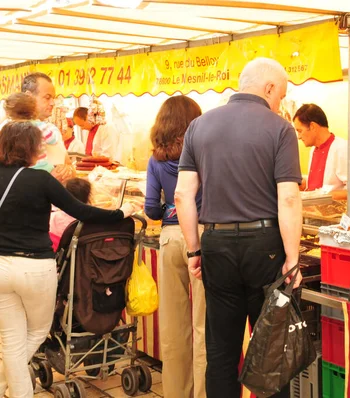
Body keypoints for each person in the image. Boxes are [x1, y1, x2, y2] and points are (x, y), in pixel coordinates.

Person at [175, 57, 302, 398]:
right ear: (269, 88)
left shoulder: (199, 126)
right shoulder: (280, 129)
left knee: (220, 350)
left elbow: (182, 195)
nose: (279, 104)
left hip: (215, 242)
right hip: (266, 245)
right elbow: (288, 198)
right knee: (270, 348)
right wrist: (293, 257)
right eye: (281, 96)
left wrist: (194, 249)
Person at [0, 121, 136, 398]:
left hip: (1, 266)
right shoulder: (40, 179)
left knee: (11, 341)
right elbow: (83, 212)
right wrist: (121, 213)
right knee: (37, 333)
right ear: (30, 147)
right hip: (35, 267)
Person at [144, 96, 206, 398]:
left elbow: (151, 210)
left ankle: (175, 393)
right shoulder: (205, 152)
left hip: (169, 238)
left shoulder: (155, 160)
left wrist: (169, 207)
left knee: (173, 325)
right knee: (204, 326)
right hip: (203, 236)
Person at [293, 103, 350, 202]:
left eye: (300, 131)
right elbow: (325, 183)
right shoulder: (313, 150)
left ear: (312, 126)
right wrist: (304, 182)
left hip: (334, 215)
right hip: (313, 213)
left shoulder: (344, 148)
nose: (298, 137)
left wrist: (324, 196)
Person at [21, 72, 74, 182]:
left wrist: (67, 170)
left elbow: (69, 166)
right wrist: (45, 180)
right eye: (47, 97)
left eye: (53, 98)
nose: (52, 103)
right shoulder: (10, 131)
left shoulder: (51, 130)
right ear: (28, 96)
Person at [3, 93, 66, 173]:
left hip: (19, 169)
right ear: (33, 109)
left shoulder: (9, 129)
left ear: (10, 113)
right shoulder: (41, 126)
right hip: (42, 167)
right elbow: (53, 140)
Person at [49, 178, 92, 251]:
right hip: (81, 257)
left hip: (57, 255)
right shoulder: (91, 222)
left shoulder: (52, 217)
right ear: (87, 197)